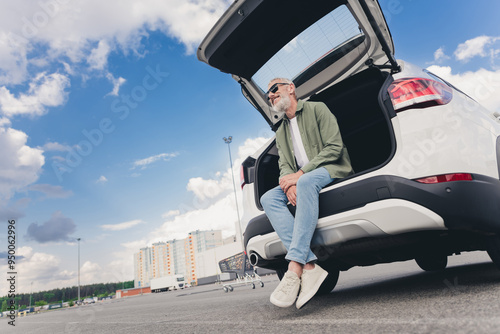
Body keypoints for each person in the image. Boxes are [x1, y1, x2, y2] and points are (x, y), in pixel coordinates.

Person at [260, 78, 354, 309]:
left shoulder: (317, 109)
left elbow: (335, 147)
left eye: (274, 89)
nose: (271, 95)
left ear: (290, 88)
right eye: (268, 95)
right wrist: (288, 183)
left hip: (331, 168)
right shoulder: (280, 129)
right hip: (301, 178)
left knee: (306, 182)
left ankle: (295, 267)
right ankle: (310, 267)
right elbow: (284, 164)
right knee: (268, 198)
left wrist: (300, 175)